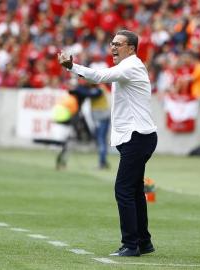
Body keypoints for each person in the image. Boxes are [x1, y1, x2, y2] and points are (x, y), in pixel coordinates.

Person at [58, 29, 158, 257]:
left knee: (123, 189)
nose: (113, 47)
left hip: (137, 136)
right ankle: (143, 242)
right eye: (112, 43)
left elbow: (101, 77)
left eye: (118, 44)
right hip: (139, 136)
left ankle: (130, 244)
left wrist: (72, 67)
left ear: (131, 48)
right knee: (133, 190)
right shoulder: (129, 66)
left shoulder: (130, 65)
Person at [69, 81, 111, 169]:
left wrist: (77, 89)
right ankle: (103, 161)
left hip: (102, 117)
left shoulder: (99, 89)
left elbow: (90, 94)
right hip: (100, 117)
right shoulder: (97, 88)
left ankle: (102, 163)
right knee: (100, 139)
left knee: (101, 139)